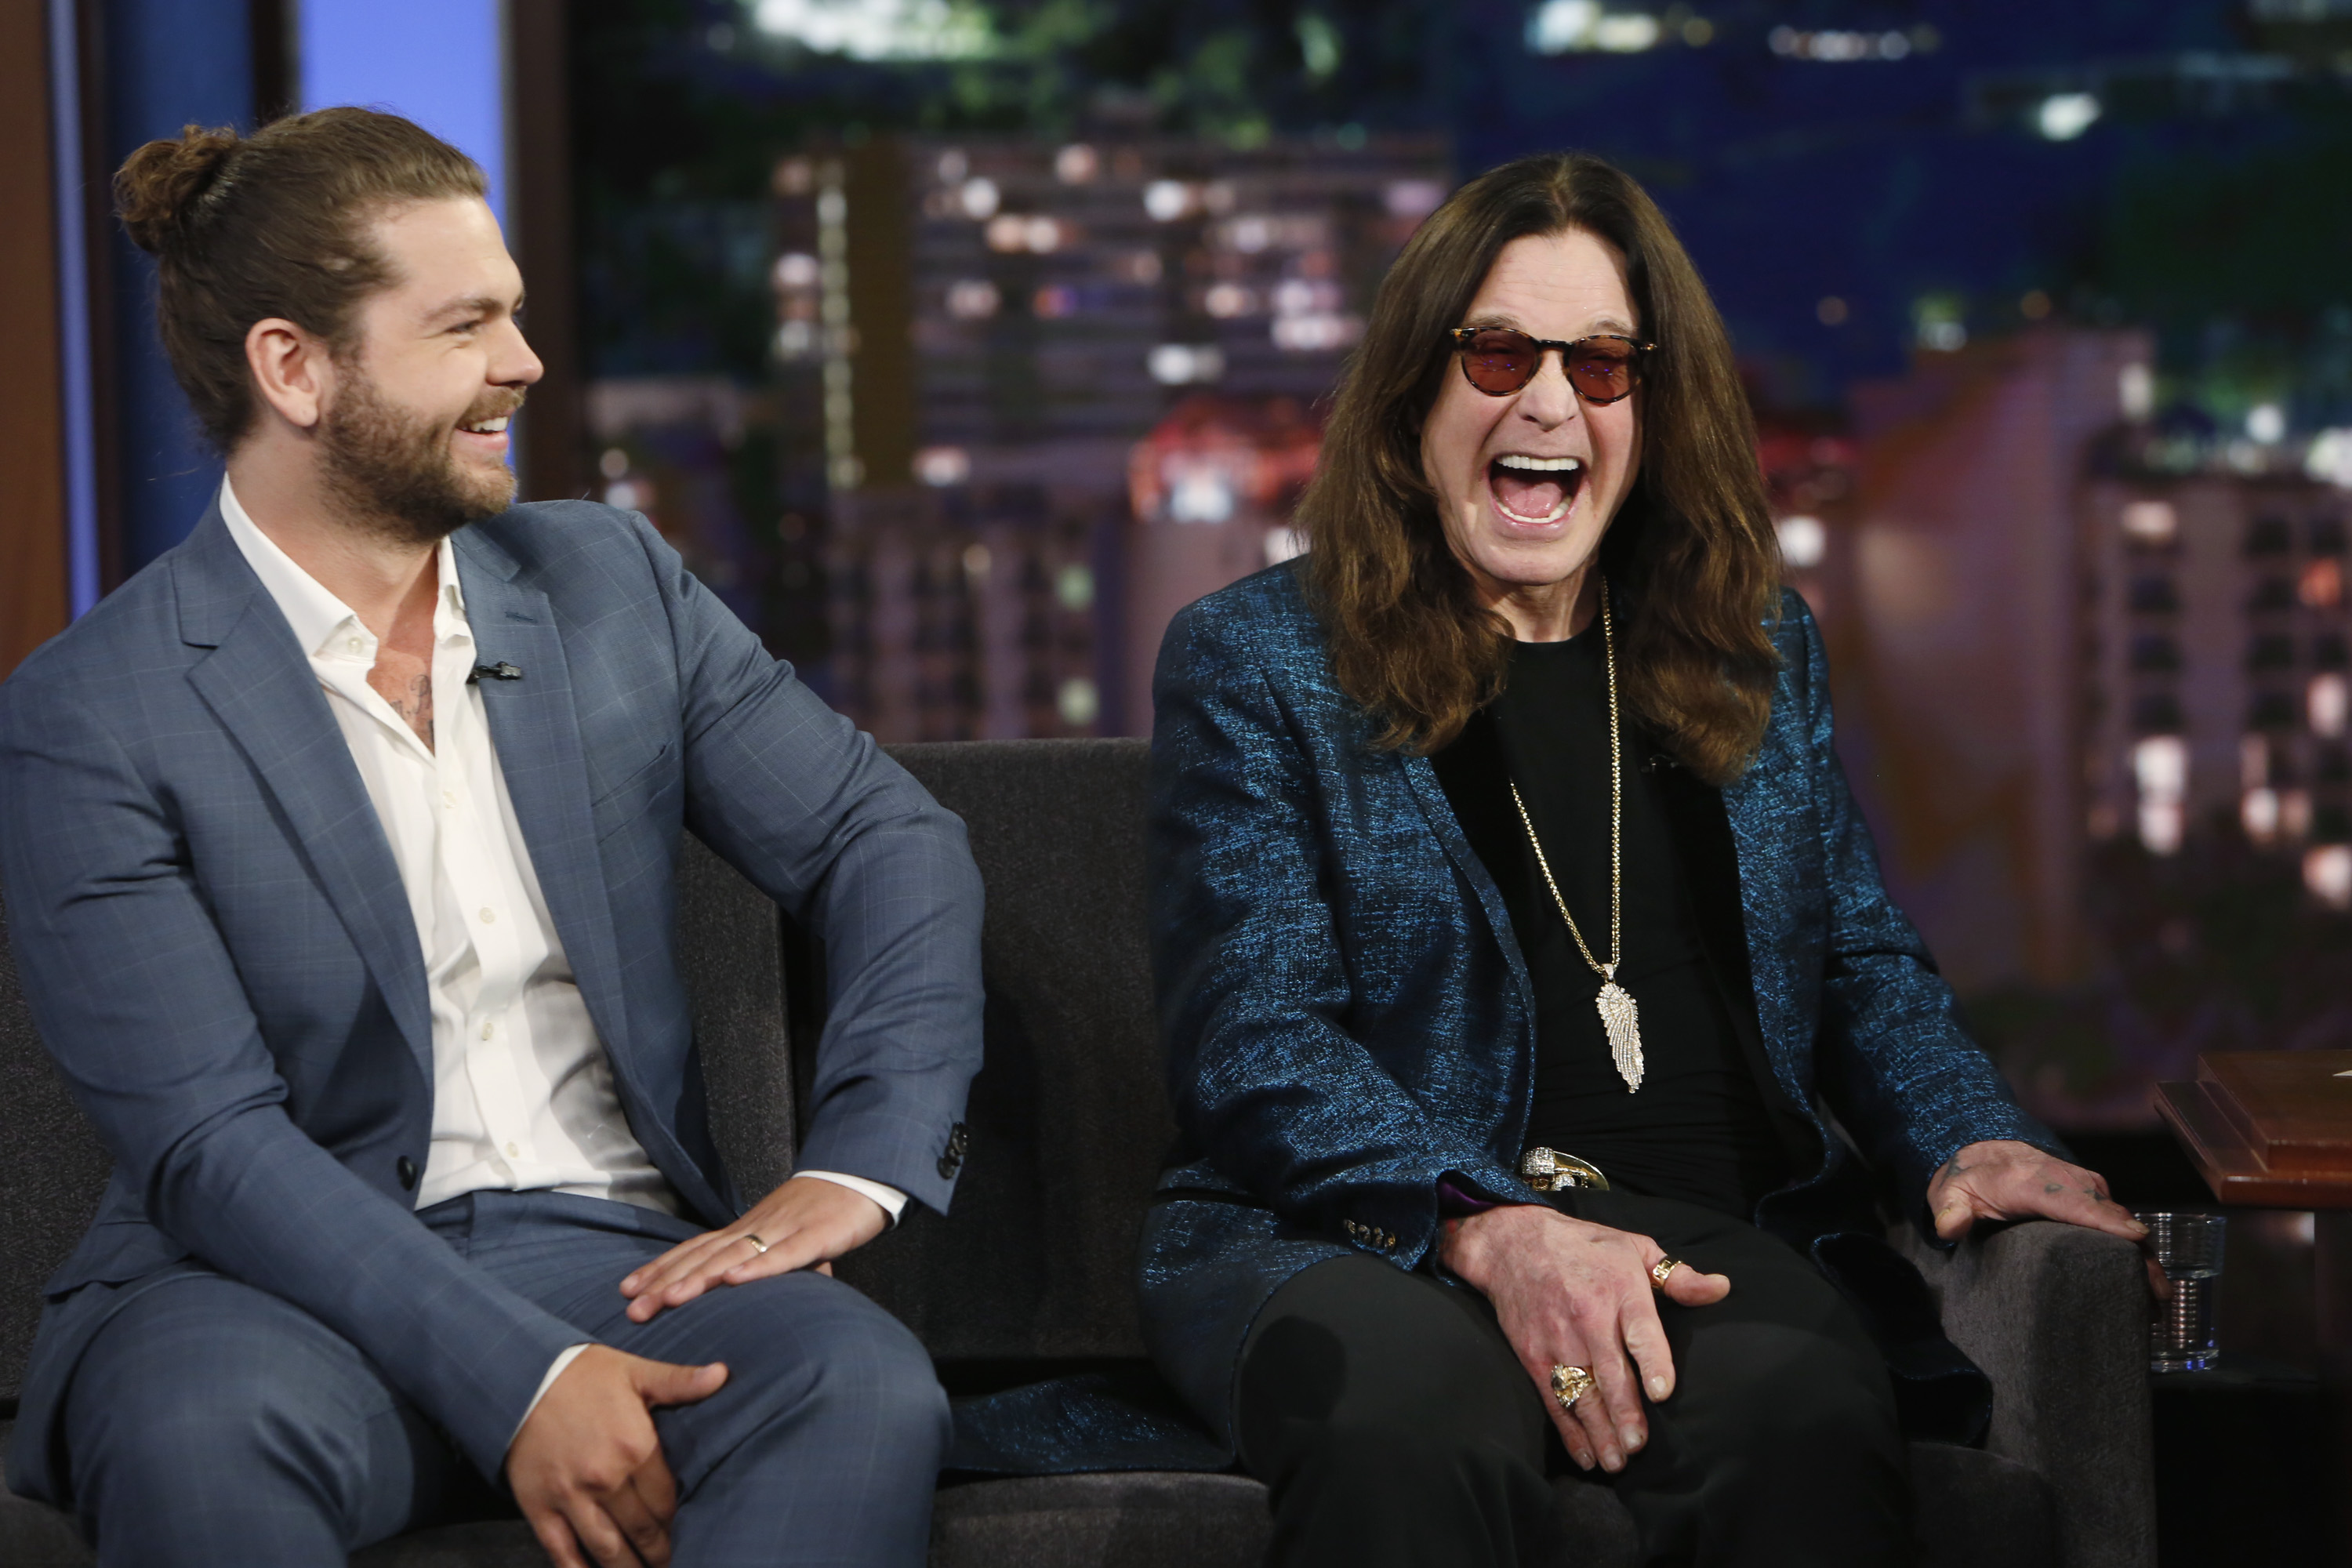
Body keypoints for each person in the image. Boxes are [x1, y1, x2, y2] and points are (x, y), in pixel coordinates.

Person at [0, 108, 982, 1568]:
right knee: (199, 1438)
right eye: (466, 326)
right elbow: (208, 1146)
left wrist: (861, 1164)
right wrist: (525, 1383)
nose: (523, 366)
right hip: (256, 1287)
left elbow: (881, 835)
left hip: (615, 1256)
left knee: (856, 1382)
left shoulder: (608, 582)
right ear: (296, 369)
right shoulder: (92, 710)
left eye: (515, 315)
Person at [1138, 151, 2147, 1568]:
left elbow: (1855, 955)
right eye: (1498, 353)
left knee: (1798, 1412)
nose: (1549, 400)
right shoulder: (1261, 660)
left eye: (1602, 366)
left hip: (1707, 1238)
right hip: (1365, 1236)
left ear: (1652, 408)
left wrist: (1968, 1134)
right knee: (1402, 1424)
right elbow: (1252, 1036)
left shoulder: (1756, 648)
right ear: (1416, 392)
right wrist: (1493, 1228)